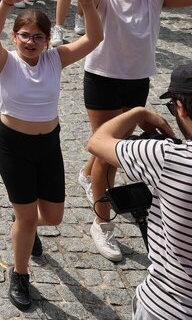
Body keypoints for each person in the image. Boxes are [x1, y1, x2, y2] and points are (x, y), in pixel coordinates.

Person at [76, 0, 192, 263]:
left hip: (136, 82)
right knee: (110, 150)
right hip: (102, 79)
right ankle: (102, 223)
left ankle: (86, 175)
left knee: (107, 149)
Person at [0, 0, 102, 311]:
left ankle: (25, 223)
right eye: (24, 35)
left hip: (49, 144)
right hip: (13, 146)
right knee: (26, 219)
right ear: (15, 37)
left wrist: (89, 4)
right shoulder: (4, 62)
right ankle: (20, 275)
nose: (31, 42)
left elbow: (94, 38)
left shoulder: (55, 59)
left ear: (48, 40)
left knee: (52, 216)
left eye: (38, 37)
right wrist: (5, 4)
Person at [87, 70, 192, 320]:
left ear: (180, 108)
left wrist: (138, 112)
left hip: (166, 306)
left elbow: (98, 141)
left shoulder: (169, 157)